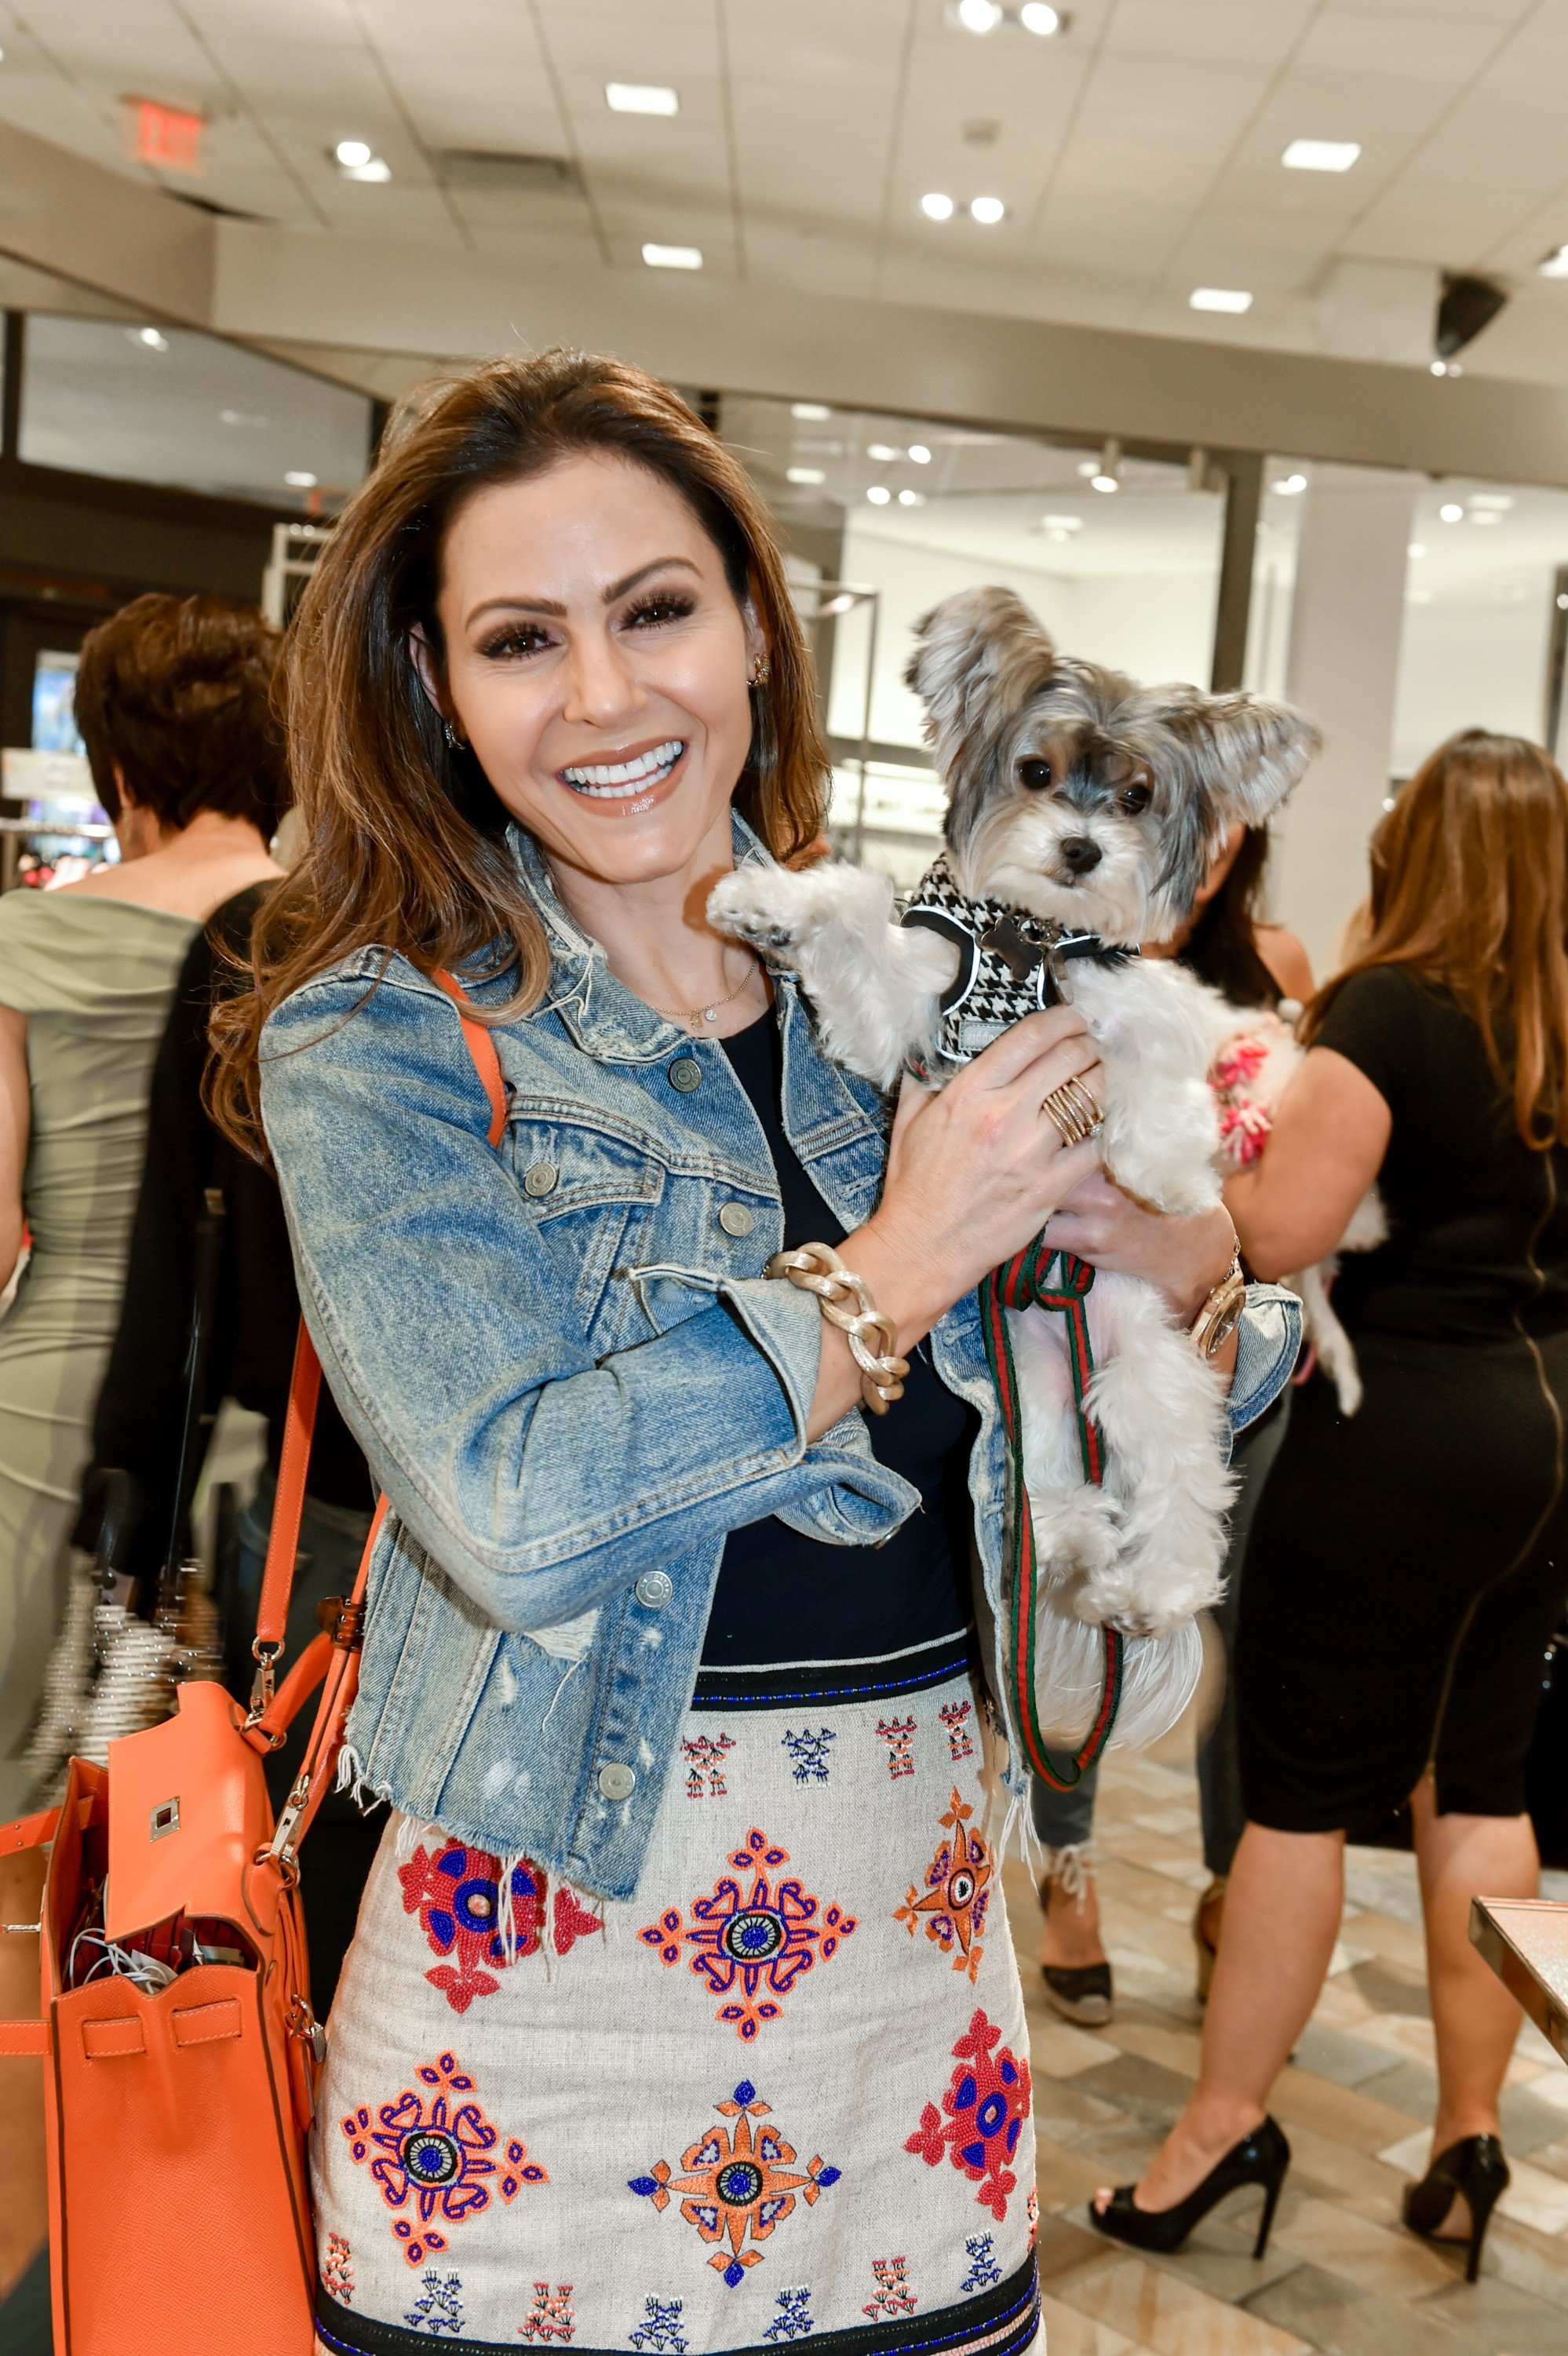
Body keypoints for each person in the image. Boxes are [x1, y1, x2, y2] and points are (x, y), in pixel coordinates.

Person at [210, 350, 1300, 2356]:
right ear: (434, 688)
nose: (608, 699)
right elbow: (517, 1517)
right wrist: (893, 1262)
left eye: (658, 611)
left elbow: (1073, 1450)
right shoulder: (377, 1038)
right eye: (521, 639)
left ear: (753, 629)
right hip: (537, 1988)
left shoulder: (888, 987)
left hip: (912, 1979)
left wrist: (1195, 1272)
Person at [1090, 730, 1568, 2281]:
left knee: (1295, 1792)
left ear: (1407, 844)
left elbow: (1283, 1230)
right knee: (1482, 1783)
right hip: (1533, 1432)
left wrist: (1185, 1162)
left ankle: (1220, 2128)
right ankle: (1470, 2126)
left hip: (1396, 1434)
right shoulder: (1552, 1019)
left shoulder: (1390, 1008)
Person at [0, 594, 284, 1812]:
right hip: (255, 1431)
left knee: (28, 1832)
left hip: (49, 1428)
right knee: (207, 1833)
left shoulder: (27, 932)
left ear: (117, 764)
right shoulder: (330, 942)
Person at [74, 879, 379, 2011]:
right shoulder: (563, 926)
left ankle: (281, 2176)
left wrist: (138, 1508)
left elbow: (176, 1248)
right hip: (553, 1531)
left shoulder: (269, 937)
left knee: (300, 1920)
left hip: (325, 1516)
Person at [1032, 822, 1313, 2026]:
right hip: (1066, 1321)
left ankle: (1225, 1879)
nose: (1195, 856)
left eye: (1218, 838)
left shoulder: (1276, 965)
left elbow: (1288, 1200)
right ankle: (1067, 1867)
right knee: (1071, 1585)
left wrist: (1214, 1236)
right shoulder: (1049, 948)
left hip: (1222, 1338)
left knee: (1219, 1614)